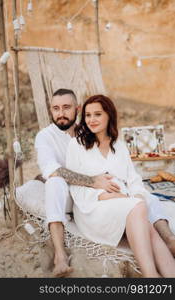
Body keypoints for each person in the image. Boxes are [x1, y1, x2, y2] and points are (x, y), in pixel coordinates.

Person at [35, 89, 175, 277]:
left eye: (97, 114)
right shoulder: (72, 143)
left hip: (122, 201)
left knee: (144, 211)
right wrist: (100, 189)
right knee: (137, 207)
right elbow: (65, 179)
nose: (92, 119)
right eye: (89, 115)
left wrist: (130, 196)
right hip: (90, 205)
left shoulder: (117, 144)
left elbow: (133, 180)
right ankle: (150, 276)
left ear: (109, 115)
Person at [35, 89, 120, 277]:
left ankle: (166, 237)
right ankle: (60, 255)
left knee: (132, 187)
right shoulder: (45, 136)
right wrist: (92, 181)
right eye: (56, 108)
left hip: (92, 192)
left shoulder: (90, 129)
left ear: (77, 108)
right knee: (54, 182)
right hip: (67, 195)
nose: (61, 113)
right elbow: (52, 170)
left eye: (66, 107)